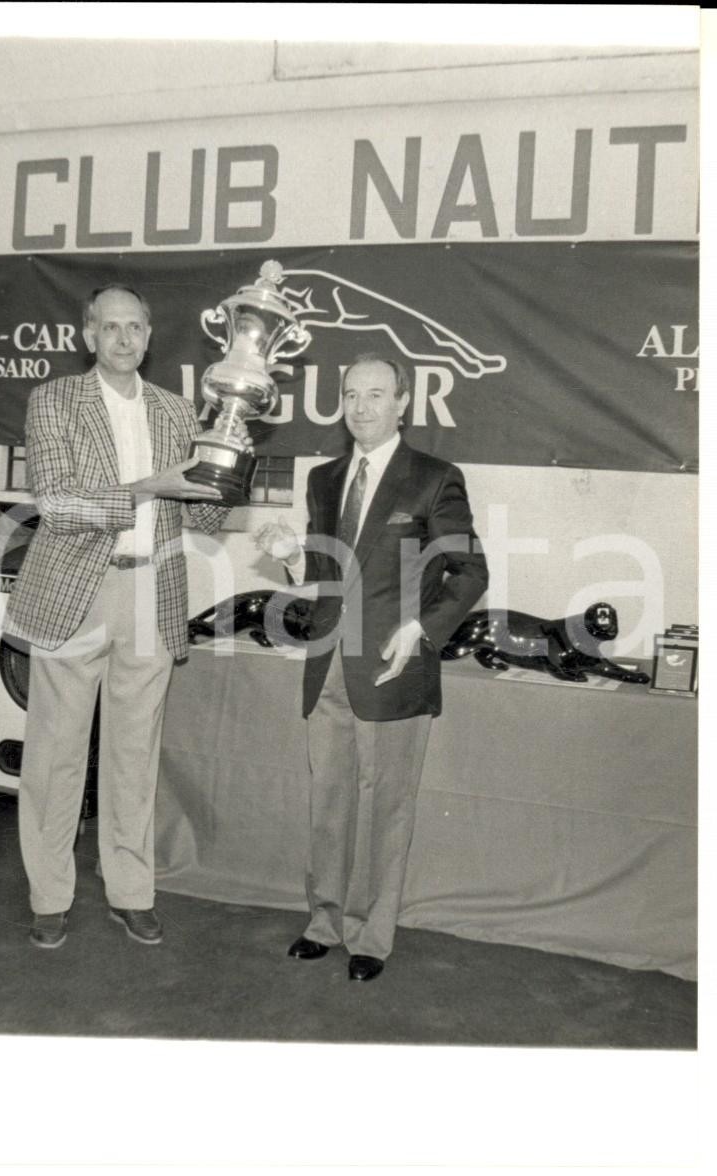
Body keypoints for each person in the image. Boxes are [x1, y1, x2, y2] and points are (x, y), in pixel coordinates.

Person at [5, 283, 233, 950]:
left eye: (135, 327)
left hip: (150, 596)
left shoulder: (176, 410)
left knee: (135, 755)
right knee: (55, 757)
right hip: (74, 590)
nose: (125, 339)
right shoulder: (53, 400)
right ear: (88, 336)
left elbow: (203, 513)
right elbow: (56, 503)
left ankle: (131, 891)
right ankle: (48, 896)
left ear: (149, 335)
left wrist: (226, 465)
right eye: (111, 327)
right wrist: (148, 488)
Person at [255, 353, 488, 982]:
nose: (361, 407)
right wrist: (290, 558)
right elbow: (327, 576)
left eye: (376, 394)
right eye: (351, 394)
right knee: (328, 802)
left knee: (386, 807)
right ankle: (323, 923)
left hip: (394, 667)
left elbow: (470, 573)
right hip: (327, 664)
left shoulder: (435, 478)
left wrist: (422, 630)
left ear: (402, 403)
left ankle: (371, 937)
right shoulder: (325, 479)